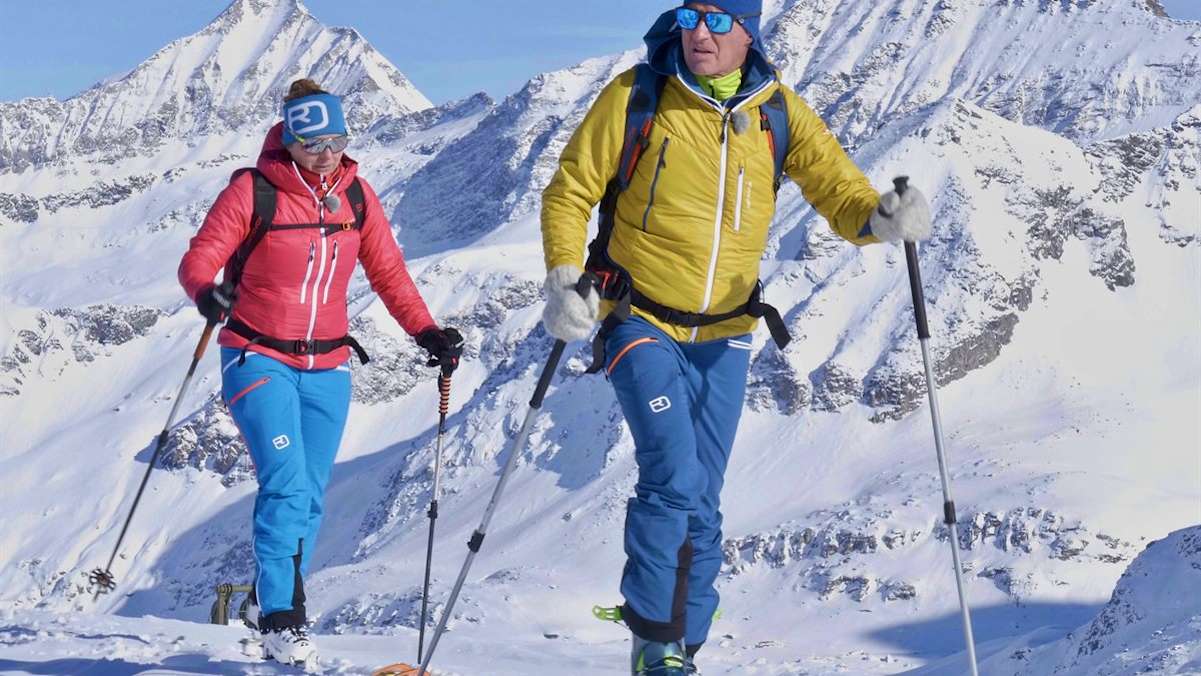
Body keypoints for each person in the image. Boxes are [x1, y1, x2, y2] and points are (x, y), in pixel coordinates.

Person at [540, 3, 932, 674]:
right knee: (670, 474)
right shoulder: (639, 95)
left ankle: (684, 647)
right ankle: (653, 640)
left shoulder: (778, 112)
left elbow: (838, 193)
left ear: (750, 31)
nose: (699, 34)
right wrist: (563, 276)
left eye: (719, 22)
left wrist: (882, 217)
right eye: (691, 16)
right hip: (638, 317)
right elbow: (571, 189)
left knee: (702, 494)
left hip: (725, 331)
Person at [178, 79, 463, 668]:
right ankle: (284, 618)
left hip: (328, 365)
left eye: (338, 139)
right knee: (284, 485)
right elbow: (199, 258)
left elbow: (389, 274)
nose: (328, 152)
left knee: (308, 498)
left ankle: (263, 599)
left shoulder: (357, 196)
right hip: (257, 356)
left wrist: (425, 330)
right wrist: (207, 294)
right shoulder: (253, 192)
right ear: (289, 140)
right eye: (314, 143)